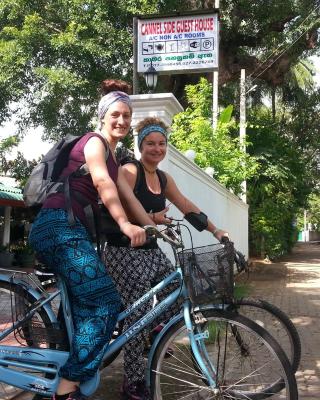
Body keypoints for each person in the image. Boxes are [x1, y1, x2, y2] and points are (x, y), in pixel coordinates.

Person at [28, 80, 155, 400]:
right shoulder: (94, 142)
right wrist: (125, 224)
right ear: (102, 116)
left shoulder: (116, 157)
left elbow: (129, 198)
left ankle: (56, 372)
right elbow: (102, 183)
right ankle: (68, 387)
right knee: (106, 303)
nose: (122, 121)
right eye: (116, 114)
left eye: (127, 115)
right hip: (57, 226)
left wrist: (154, 227)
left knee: (82, 307)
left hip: (72, 231)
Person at [101, 116, 228, 400]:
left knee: (176, 290)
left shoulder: (162, 177)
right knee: (138, 316)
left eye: (161, 143)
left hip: (150, 249)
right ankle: (131, 382)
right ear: (140, 145)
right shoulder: (130, 170)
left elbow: (186, 206)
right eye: (150, 143)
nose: (156, 149)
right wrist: (152, 220)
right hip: (123, 250)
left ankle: (153, 335)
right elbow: (116, 206)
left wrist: (216, 230)